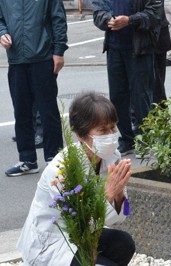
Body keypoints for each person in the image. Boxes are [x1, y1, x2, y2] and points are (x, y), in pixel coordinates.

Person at [17, 92, 136, 266]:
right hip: (53, 242)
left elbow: (122, 215)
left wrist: (118, 196)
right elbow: (78, 226)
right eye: (102, 130)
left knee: (124, 244)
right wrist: (108, 194)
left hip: (85, 233)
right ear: (80, 135)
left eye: (113, 128)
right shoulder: (62, 169)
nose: (110, 135)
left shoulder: (112, 157)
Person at [0, 0, 67, 176]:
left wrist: (59, 51)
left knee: (48, 111)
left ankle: (55, 159)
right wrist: (2, 32)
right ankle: (27, 159)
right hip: (16, 60)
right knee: (21, 112)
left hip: (43, 58)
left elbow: (58, 19)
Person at [92, 0, 162, 156]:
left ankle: (145, 139)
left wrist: (129, 20)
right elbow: (97, 11)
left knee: (141, 96)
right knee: (117, 98)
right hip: (114, 48)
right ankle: (126, 140)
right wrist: (107, 19)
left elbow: (154, 14)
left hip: (140, 49)